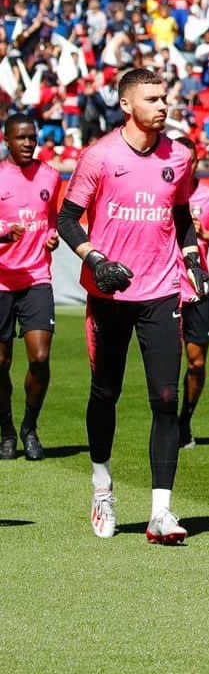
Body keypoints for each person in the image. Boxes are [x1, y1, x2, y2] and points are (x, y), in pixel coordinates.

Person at [58, 68, 209, 543]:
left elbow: (182, 213)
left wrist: (192, 259)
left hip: (162, 289)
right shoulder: (99, 156)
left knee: (166, 398)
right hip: (110, 292)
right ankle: (102, 484)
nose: (163, 105)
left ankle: (161, 512)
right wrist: (96, 259)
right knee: (105, 392)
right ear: (127, 105)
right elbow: (67, 219)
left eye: (165, 97)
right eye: (152, 98)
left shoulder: (180, 157)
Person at [0, 113, 61, 461]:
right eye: (20, 138)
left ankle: (29, 427)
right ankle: (6, 430)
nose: (27, 144)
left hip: (37, 277)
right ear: (6, 139)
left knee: (39, 358)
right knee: (0, 363)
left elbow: (50, 216)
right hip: (1, 280)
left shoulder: (50, 176)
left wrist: (51, 236)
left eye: (31, 138)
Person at [173, 136, 209, 450]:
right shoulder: (161, 192)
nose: (187, 166)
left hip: (197, 286)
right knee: (167, 362)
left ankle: (184, 422)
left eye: (191, 161)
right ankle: (167, 422)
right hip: (165, 286)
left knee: (196, 362)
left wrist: (205, 234)